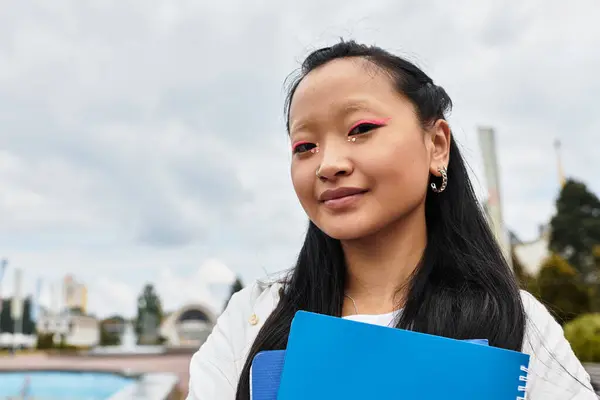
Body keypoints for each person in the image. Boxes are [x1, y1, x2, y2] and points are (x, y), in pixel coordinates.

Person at [186, 40, 597, 399]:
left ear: (437, 144)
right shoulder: (252, 318)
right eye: (304, 146)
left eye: (360, 128)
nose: (327, 165)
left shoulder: (516, 321)